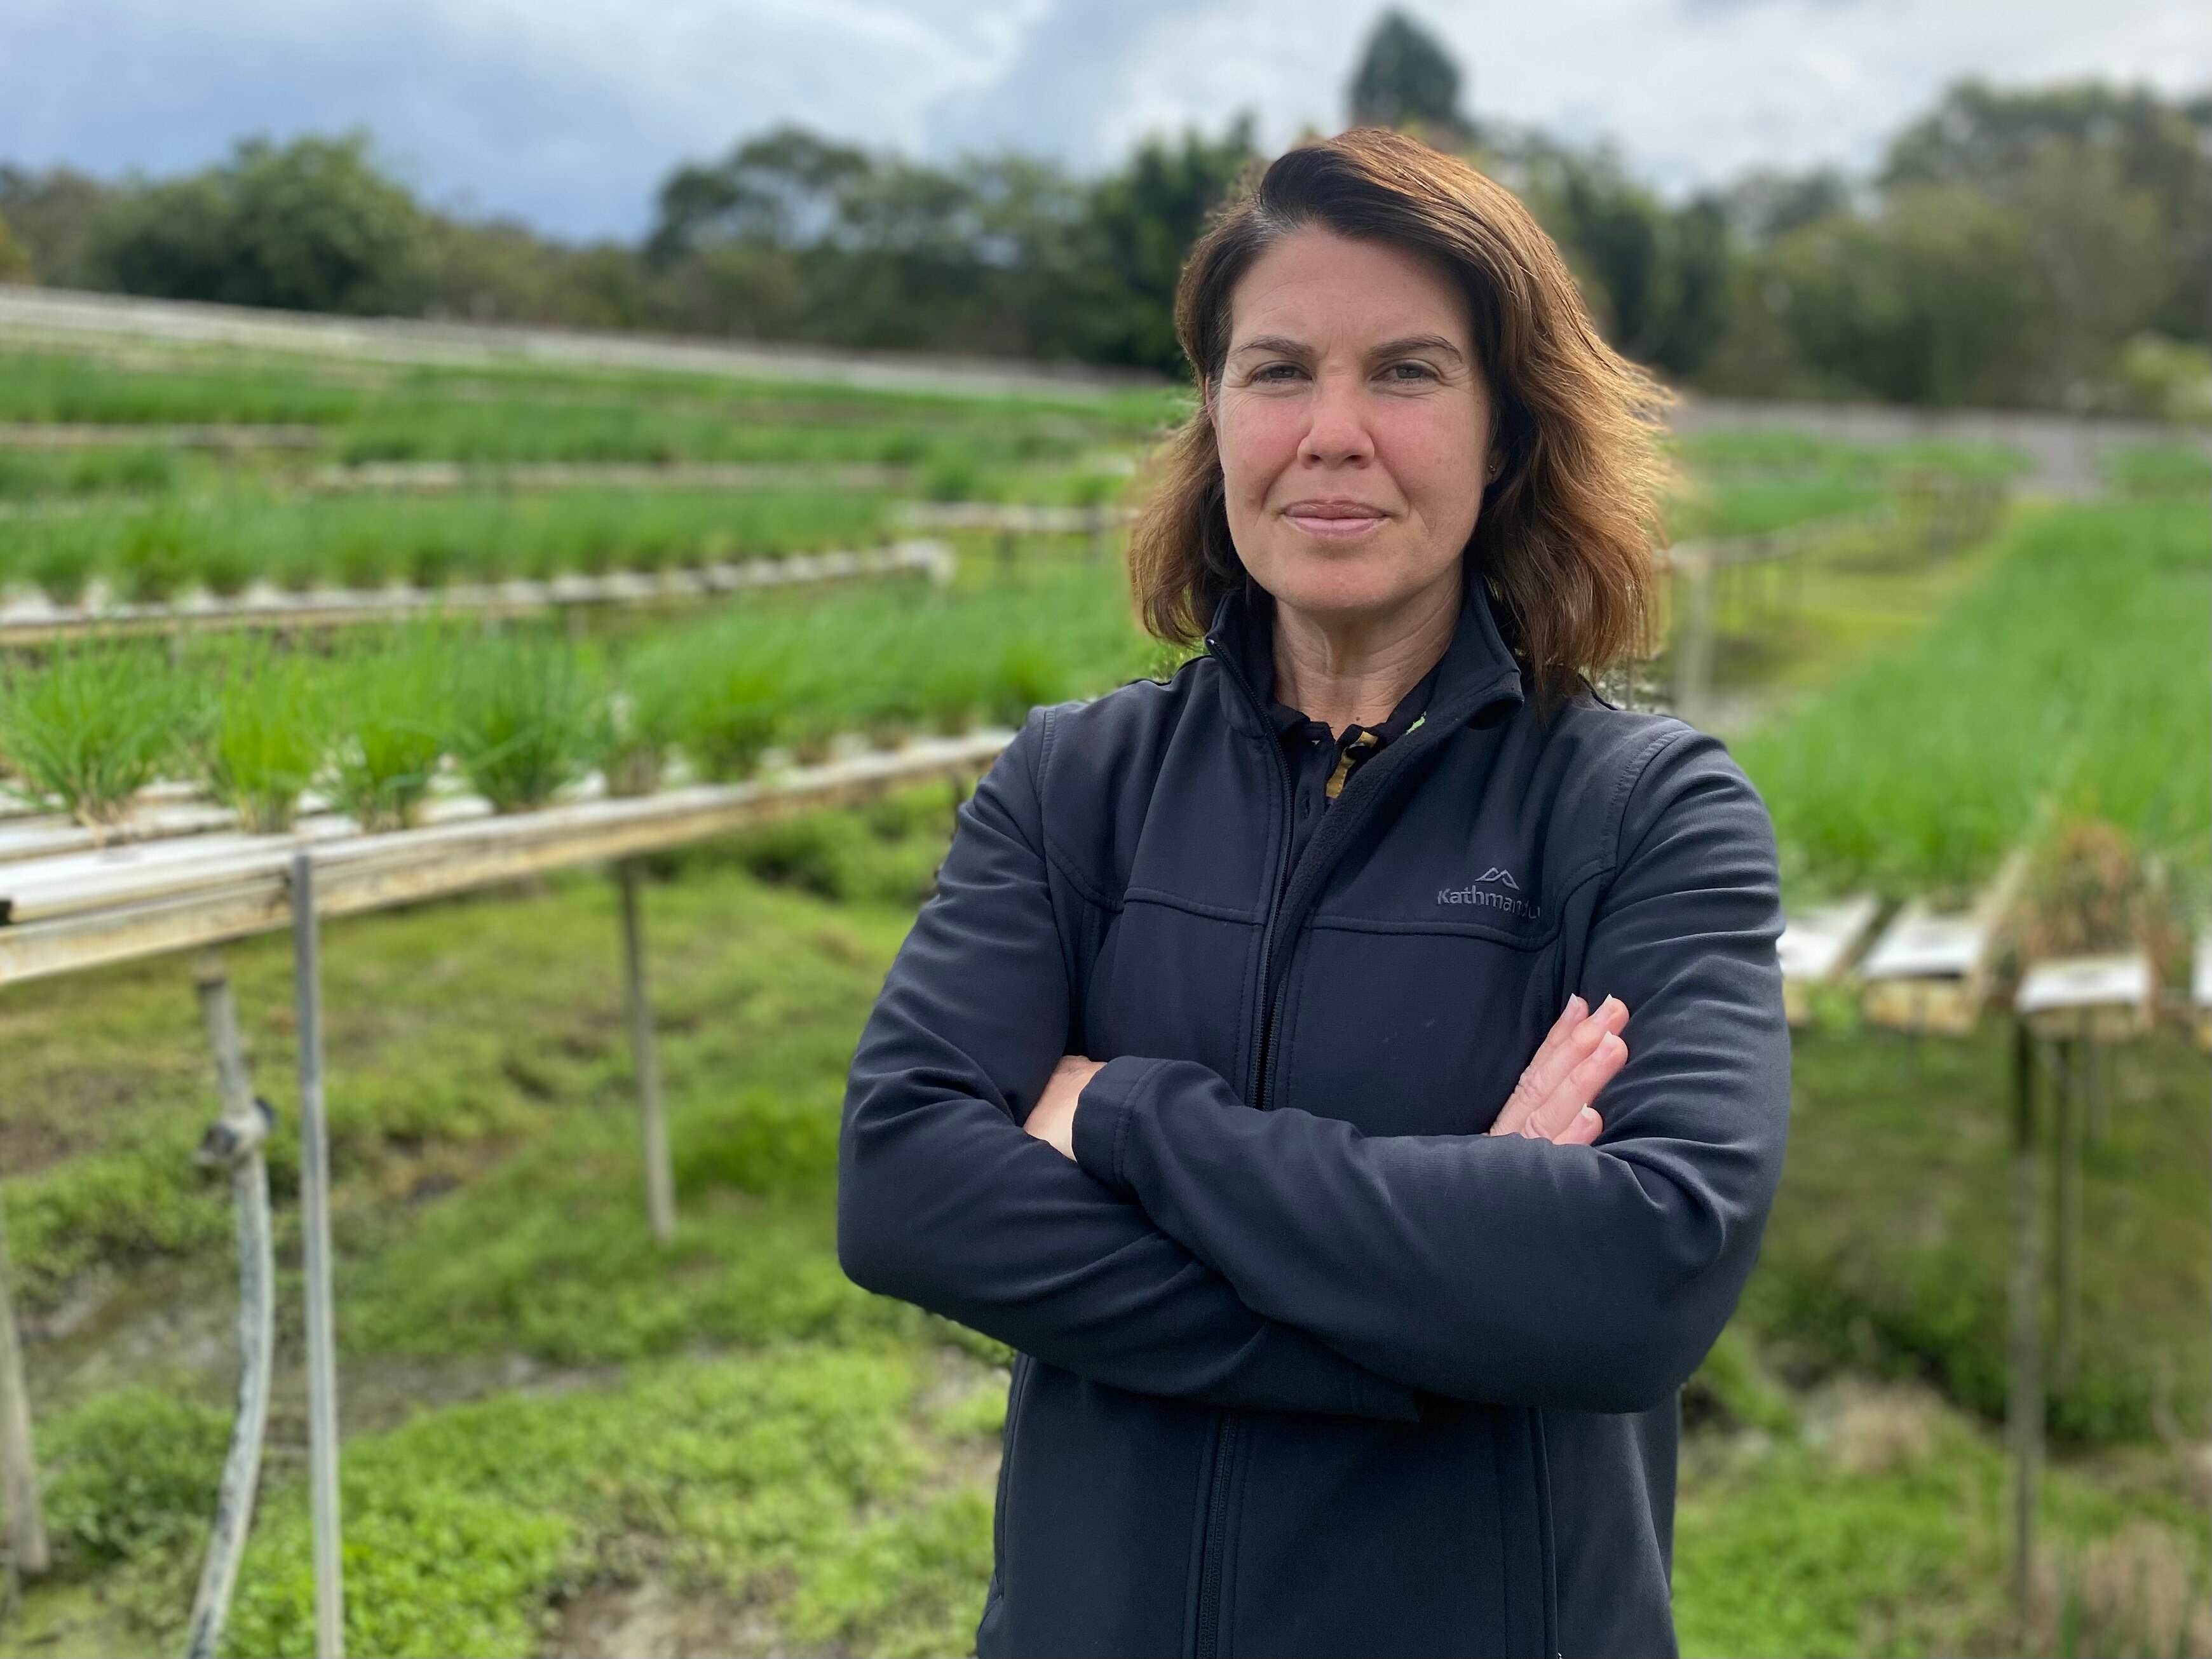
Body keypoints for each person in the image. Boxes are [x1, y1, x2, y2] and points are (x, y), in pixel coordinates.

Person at [839, 126, 1789, 1659]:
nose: (1330, 431)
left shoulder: (1639, 815)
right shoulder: (1076, 786)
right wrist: (1438, 1303)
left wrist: (1135, 1120)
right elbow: (903, 1190)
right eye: (1277, 370)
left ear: (1506, 431)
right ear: (1214, 415)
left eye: (1406, 372)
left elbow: (1640, 1274)